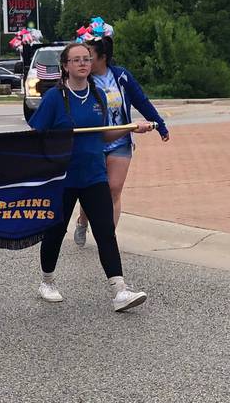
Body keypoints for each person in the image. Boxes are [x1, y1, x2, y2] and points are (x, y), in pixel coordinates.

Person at [28, 42, 156, 312]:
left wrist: (131, 128)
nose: (83, 64)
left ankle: (119, 290)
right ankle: (47, 282)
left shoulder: (98, 95)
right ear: (65, 66)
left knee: (105, 231)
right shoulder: (55, 98)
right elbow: (36, 134)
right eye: (76, 60)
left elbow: (104, 134)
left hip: (94, 175)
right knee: (55, 231)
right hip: (62, 177)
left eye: (86, 59)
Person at [74, 36, 170, 246]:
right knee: (92, 189)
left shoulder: (121, 77)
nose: (85, 60)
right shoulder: (82, 79)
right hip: (93, 143)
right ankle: (82, 221)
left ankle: (107, 237)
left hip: (120, 141)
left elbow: (141, 101)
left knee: (114, 188)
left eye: (89, 55)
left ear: (103, 57)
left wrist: (159, 124)